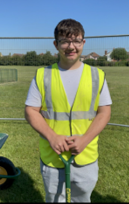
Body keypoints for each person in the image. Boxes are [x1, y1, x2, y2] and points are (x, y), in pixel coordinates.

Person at [25, 19, 112, 203]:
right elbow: (31, 111)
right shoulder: (42, 75)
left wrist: (84, 140)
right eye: (65, 41)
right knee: (54, 199)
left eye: (76, 41)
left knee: (82, 199)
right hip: (53, 158)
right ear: (56, 44)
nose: (71, 46)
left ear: (83, 43)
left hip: (85, 156)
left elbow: (104, 112)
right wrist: (52, 137)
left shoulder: (97, 75)